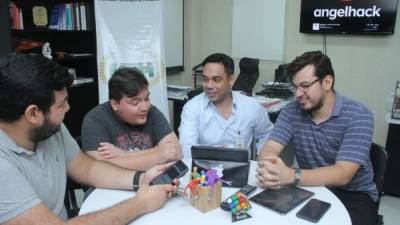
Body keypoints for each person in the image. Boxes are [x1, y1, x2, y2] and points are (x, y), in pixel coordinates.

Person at [0, 53, 177, 225]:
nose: (68, 108)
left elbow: (87, 168)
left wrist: (142, 178)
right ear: (33, 113)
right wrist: (140, 204)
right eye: (61, 104)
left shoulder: (53, 130)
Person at [256, 51, 377, 225]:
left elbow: (343, 174)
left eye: (304, 86)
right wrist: (269, 166)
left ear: (327, 82)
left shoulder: (358, 115)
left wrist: (290, 175)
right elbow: (271, 147)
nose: (298, 94)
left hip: (354, 195)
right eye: (295, 86)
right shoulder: (291, 110)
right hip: (309, 187)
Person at [81, 67, 181, 171]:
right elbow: (100, 168)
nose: (144, 107)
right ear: (115, 104)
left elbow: (174, 152)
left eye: (147, 99)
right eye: (135, 103)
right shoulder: (95, 119)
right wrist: (158, 154)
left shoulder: (152, 111)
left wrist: (124, 155)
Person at [179, 53, 273, 158]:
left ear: (231, 80)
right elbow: (186, 148)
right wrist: (217, 154)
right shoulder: (192, 107)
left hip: (241, 170)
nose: (209, 85)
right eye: (205, 79)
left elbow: (268, 133)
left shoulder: (251, 106)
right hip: (205, 171)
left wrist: (262, 155)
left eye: (216, 79)